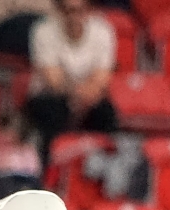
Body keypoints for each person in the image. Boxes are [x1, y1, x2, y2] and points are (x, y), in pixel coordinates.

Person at [26, 0, 118, 157]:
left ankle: (103, 168)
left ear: (89, 11)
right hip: (50, 96)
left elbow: (102, 79)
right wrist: (78, 96)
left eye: (80, 10)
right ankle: (50, 168)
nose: (74, 16)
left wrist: (86, 96)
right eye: (69, 11)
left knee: (106, 113)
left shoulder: (104, 31)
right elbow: (54, 80)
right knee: (54, 111)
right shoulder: (43, 31)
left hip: (90, 98)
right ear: (59, 11)